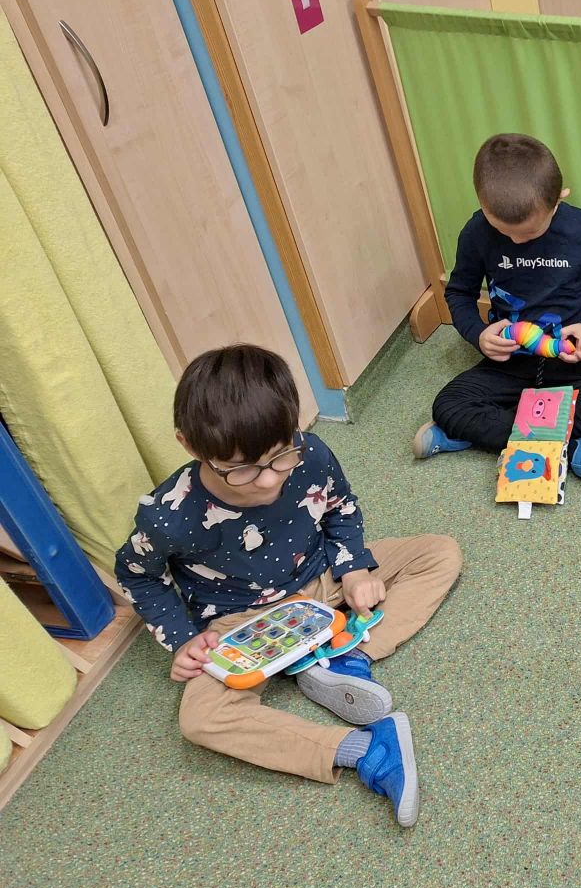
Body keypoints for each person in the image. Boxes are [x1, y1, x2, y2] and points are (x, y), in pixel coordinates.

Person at [117, 344, 462, 827]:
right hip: (241, 622)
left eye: (280, 456)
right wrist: (183, 640)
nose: (267, 481)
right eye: (242, 468)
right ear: (190, 445)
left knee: (439, 552)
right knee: (200, 719)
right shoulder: (167, 515)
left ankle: (345, 658)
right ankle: (367, 749)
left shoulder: (310, 453)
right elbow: (137, 575)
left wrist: (353, 568)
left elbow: (341, 507)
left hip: (322, 577)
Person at [415, 133, 581, 490]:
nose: (516, 241)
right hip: (508, 363)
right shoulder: (476, 232)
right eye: (503, 230)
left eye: (529, 233)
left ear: (558, 199)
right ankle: (575, 444)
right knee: (448, 405)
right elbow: (460, 293)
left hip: (570, 362)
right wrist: (478, 335)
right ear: (483, 205)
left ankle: (472, 435)